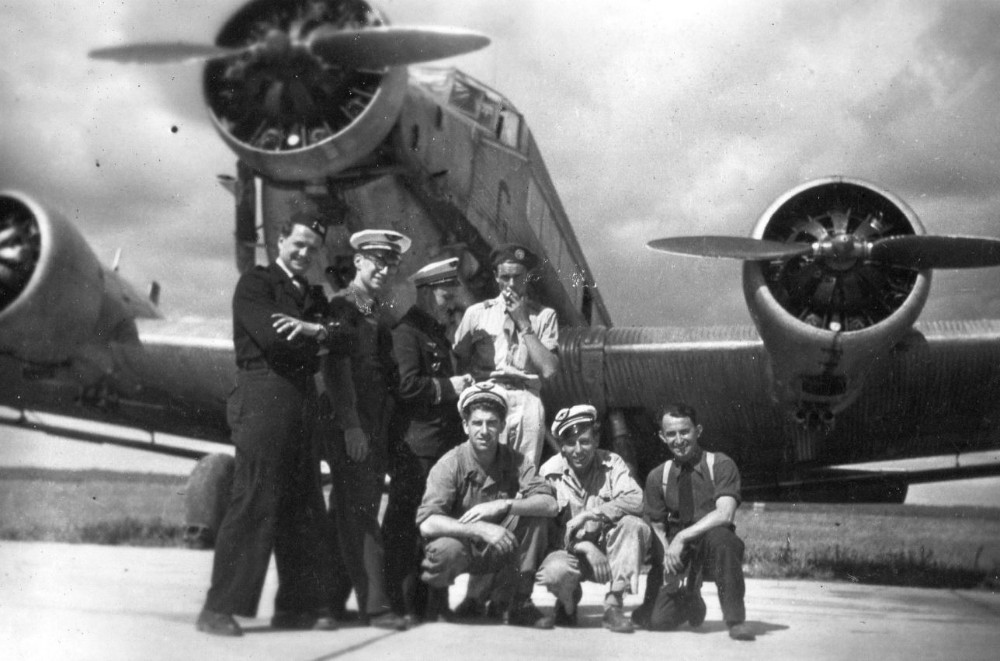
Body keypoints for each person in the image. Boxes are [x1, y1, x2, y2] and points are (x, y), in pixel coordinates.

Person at [197, 215, 346, 636]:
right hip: (264, 393)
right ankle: (217, 608)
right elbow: (276, 339)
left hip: (301, 399)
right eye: (298, 243)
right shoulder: (256, 285)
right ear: (279, 240)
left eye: (312, 248)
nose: (304, 253)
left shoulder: (312, 296)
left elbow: (347, 337)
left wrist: (314, 329)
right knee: (255, 498)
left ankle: (296, 607)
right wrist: (320, 337)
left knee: (303, 503)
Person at [320, 229, 411, 631]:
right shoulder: (344, 307)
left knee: (349, 512)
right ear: (357, 261)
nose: (384, 268)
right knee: (360, 513)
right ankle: (376, 607)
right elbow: (336, 370)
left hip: (371, 429)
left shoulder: (374, 312)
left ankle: (328, 605)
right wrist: (352, 426)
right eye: (376, 260)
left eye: (390, 263)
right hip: (353, 428)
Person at [416, 381, 558, 629]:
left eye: (492, 423)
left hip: (501, 547)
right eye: (477, 423)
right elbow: (427, 523)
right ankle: (438, 602)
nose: (484, 430)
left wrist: (504, 505)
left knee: (534, 517)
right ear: (465, 426)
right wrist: (479, 529)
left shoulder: (517, 461)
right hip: (465, 547)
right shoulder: (450, 464)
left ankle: (518, 604)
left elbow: (549, 504)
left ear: (502, 426)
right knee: (444, 549)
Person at [382, 257, 474, 623]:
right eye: (443, 293)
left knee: (433, 523)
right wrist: (448, 387)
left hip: (440, 448)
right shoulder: (407, 333)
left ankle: (428, 605)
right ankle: (396, 603)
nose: (450, 301)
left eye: (452, 293)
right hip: (416, 448)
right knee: (405, 526)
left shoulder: (436, 334)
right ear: (423, 292)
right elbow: (405, 386)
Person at [634, 403, 756, 641]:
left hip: (711, 546)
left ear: (698, 431)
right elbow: (657, 526)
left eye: (684, 432)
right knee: (656, 621)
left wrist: (682, 536)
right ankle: (691, 599)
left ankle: (735, 620)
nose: (678, 440)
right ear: (662, 436)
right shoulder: (658, 476)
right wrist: (668, 553)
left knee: (724, 541)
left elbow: (725, 514)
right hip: (679, 552)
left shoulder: (720, 464)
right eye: (671, 434)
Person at [536, 404, 651, 633]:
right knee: (553, 572)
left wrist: (592, 513)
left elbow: (637, 501)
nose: (578, 449)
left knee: (634, 526)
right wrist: (585, 546)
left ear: (596, 440)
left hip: (609, 553)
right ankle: (567, 603)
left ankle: (613, 605)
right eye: (570, 443)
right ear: (562, 447)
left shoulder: (612, 463)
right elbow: (546, 530)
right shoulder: (549, 472)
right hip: (570, 551)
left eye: (585, 441)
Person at [452, 243, 559, 468]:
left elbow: (549, 370)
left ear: (527, 276)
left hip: (526, 401)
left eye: (517, 277)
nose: (511, 284)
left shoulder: (544, 316)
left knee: (524, 475)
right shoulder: (477, 314)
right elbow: (457, 359)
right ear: (495, 276)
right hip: (488, 397)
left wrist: (523, 322)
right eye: (505, 277)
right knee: (484, 472)